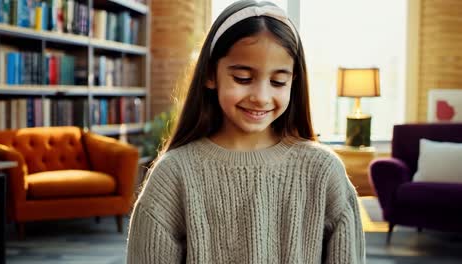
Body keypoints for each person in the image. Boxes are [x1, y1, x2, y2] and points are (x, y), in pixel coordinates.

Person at [126, 0, 365, 263]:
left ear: (293, 82)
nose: (261, 97)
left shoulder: (324, 171)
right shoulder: (174, 174)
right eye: (242, 78)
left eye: (278, 81)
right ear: (210, 74)